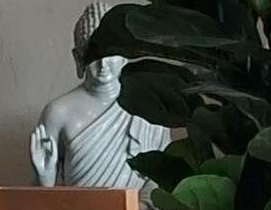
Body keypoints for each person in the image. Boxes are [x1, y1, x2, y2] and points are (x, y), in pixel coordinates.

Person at [29, 1, 169, 190]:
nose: (104, 65)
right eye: (94, 56)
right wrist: (44, 180)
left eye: (111, 54)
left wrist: (129, 208)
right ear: (79, 58)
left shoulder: (150, 108)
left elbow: (161, 186)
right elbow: (43, 203)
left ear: (127, 54)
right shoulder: (58, 112)